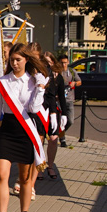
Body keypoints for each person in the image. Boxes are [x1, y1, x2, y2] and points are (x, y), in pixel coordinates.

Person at [0, 43, 48, 212]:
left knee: (24, 178)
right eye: (11, 60)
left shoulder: (33, 81)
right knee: (3, 175)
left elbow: (34, 109)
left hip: (26, 131)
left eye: (18, 60)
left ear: (26, 60)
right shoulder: (3, 81)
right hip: (7, 131)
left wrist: (40, 87)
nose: (14, 63)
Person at [41, 52, 68, 180]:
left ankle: (50, 166)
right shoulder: (39, 75)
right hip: (41, 109)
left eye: (49, 62)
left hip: (53, 110)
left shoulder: (59, 78)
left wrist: (65, 114)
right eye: (45, 63)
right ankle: (39, 166)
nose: (48, 65)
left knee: (53, 139)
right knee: (40, 139)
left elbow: (61, 97)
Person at [58, 54, 81, 147]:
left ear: (68, 62)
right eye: (62, 63)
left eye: (65, 62)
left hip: (69, 99)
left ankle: (60, 133)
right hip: (59, 100)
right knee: (61, 120)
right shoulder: (57, 72)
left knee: (70, 120)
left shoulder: (71, 71)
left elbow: (79, 82)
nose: (64, 65)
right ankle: (62, 140)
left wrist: (74, 83)